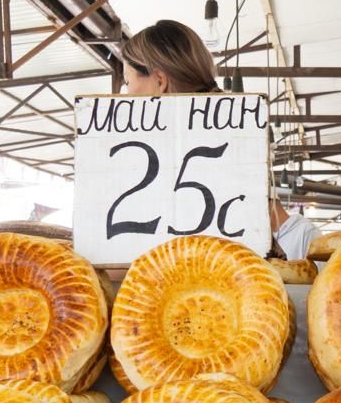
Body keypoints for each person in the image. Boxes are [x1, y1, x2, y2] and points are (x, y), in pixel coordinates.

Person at [122, 19, 320, 261]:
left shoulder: (149, 170)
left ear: (159, 82)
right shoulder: (238, 149)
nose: (124, 95)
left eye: (127, 82)